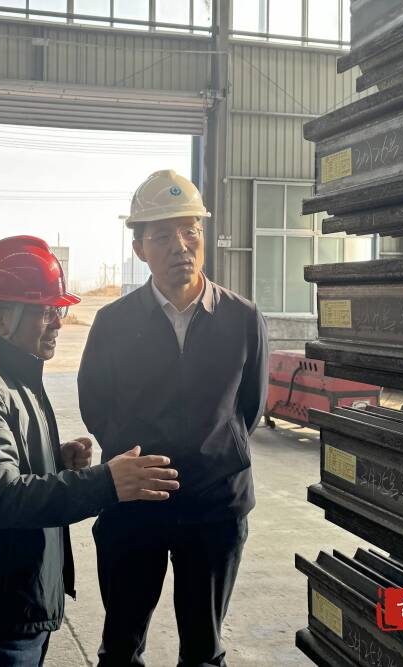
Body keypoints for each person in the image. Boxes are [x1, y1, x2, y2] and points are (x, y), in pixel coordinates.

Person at [0, 235, 181, 667]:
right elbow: (0, 496)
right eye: (46, 312)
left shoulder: (15, 372)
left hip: (17, 603)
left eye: (58, 310)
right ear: (0, 319)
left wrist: (54, 460)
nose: (59, 323)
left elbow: (5, 465)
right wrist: (106, 483)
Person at [78, 170, 269, 667]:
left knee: (204, 650)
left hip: (215, 507)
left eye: (190, 231)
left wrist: (212, 454)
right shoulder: (113, 323)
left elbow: (249, 407)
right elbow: (94, 404)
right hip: (134, 503)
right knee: (120, 647)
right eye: (162, 235)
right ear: (139, 248)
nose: (180, 246)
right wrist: (134, 458)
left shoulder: (241, 318)